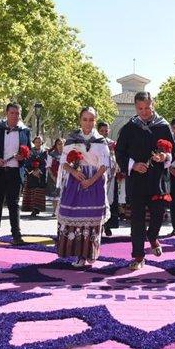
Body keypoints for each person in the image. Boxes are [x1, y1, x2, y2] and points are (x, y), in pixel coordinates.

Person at [115, 91, 175, 271]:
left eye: (147, 108)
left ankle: (153, 236)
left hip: (158, 181)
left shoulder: (163, 126)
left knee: (158, 214)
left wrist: (164, 156)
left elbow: (173, 150)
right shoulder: (128, 128)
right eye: (140, 108)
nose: (144, 112)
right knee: (137, 220)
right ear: (135, 107)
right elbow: (120, 153)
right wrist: (133, 166)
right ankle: (138, 256)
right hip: (137, 182)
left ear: (153, 104)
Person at [56, 107, 111, 267]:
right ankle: (79, 255)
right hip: (75, 182)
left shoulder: (101, 141)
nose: (88, 123)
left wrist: (91, 180)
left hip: (94, 181)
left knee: (92, 218)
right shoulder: (73, 138)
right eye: (85, 119)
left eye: (91, 119)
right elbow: (63, 162)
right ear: (80, 120)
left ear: (95, 121)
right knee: (73, 216)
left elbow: (104, 165)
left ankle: (90, 252)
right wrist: (74, 172)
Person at [0, 103, 32, 245]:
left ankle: (16, 235)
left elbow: (29, 150)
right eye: (12, 113)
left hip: (15, 172)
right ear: (6, 113)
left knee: (14, 204)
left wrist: (23, 156)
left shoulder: (24, 131)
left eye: (17, 113)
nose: (15, 116)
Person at [100, 121, 120, 237]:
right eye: (101, 131)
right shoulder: (95, 143)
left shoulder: (113, 143)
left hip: (111, 175)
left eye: (106, 130)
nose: (104, 133)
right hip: (99, 175)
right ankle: (99, 225)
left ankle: (108, 225)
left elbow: (116, 158)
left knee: (110, 200)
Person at [21, 136, 48, 216]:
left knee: (39, 191)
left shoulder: (44, 152)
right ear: (34, 142)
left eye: (39, 142)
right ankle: (32, 208)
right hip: (31, 175)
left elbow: (46, 163)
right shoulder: (30, 151)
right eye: (36, 142)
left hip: (40, 174)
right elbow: (26, 162)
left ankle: (37, 208)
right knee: (32, 191)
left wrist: (39, 170)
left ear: (41, 143)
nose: (38, 143)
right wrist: (32, 171)